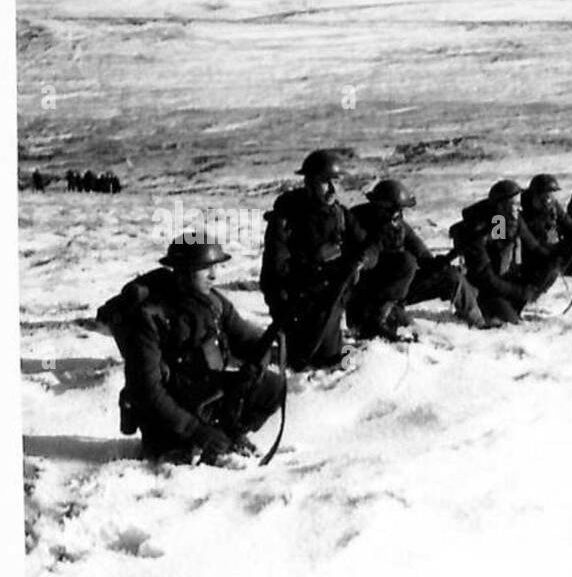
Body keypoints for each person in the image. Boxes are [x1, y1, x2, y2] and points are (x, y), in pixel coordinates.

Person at [97, 240, 284, 465]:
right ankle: (191, 443)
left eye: (216, 267)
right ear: (183, 273)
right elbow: (148, 391)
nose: (214, 275)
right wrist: (196, 431)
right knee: (177, 461)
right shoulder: (150, 317)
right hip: (165, 411)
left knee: (272, 387)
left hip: (204, 394)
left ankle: (229, 436)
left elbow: (246, 340)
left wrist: (262, 355)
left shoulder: (214, 303)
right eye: (205, 268)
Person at [260, 149, 373, 369]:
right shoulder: (286, 218)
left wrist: (363, 260)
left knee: (337, 356)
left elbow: (369, 246)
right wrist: (315, 258)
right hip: (296, 300)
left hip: (331, 296)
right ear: (309, 182)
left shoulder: (340, 214)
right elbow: (277, 271)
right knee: (311, 360)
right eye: (325, 182)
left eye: (335, 183)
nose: (332, 189)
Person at [347, 178, 493, 336]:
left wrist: (437, 264)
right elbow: (364, 258)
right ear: (379, 206)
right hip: (369, 298)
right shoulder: (356, 221)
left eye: (399, 210)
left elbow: (422, 254)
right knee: (409, 329)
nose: (396, 215)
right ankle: (381, 318)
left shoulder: (398, 225)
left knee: (451, 276)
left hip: (399, 292)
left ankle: (479, 323)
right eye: (392, 209)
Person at [449, 179, 561, 324]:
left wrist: (553, 259)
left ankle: (512, 307)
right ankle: (491, 310)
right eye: (514, 205)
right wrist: (521, 292)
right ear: (501, 206)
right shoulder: (479, 230)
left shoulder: (504, 221)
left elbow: (534, 247)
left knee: (550, 268)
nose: (519, 209)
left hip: (502, 282)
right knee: (511, 326)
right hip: (484, 292)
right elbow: (488, 278)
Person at [522, 173, 572, 295]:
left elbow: (568, 224)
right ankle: (529, 295)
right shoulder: (520, 213)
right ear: (535, 195)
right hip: (530, 257)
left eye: (551, 195)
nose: (548, 200)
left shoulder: (553, 207)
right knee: (550, 267)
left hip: (551, 249)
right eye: (545, 196)